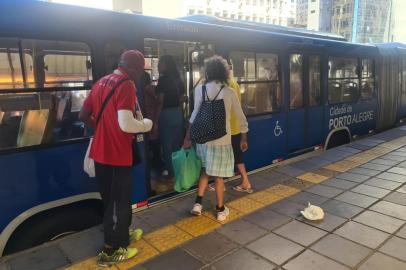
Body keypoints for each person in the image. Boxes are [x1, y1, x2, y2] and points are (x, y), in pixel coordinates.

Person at [79, 50, 153, 265]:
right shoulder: (126, 84)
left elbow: (84, 115)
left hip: (102, 152)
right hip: (117, 153)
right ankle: (112, 250)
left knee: (113, 200)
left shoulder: (102, 81)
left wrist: (102, 128)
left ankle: (122, 235)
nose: (141, 74)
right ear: (134, 68)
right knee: (117, 202)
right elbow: (127, 124)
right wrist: (146, 124)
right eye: (140, 70)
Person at [183, 55, 249, 221]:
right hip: (222, 140)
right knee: (218, 176)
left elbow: (194, 115)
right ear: (223, 72)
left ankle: (198, 204)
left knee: (205, 170)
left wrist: (187, 137)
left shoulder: (200, 90)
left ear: (208, 72)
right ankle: (220, 209)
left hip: (203, 139)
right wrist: (243, 137)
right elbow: (241, 118)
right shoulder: (229, 92)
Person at [155, 55, 186, 181]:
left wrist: (155, 121)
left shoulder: (163, 80)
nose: (158, 66)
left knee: (166, 146)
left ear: (166, 65)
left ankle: (171, 174)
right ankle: (179, 171)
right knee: (176, 145)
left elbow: (160, 102)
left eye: (160, 64)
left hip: (166, 115)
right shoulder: (178, 79)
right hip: (178, 113)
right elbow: (182, 98)